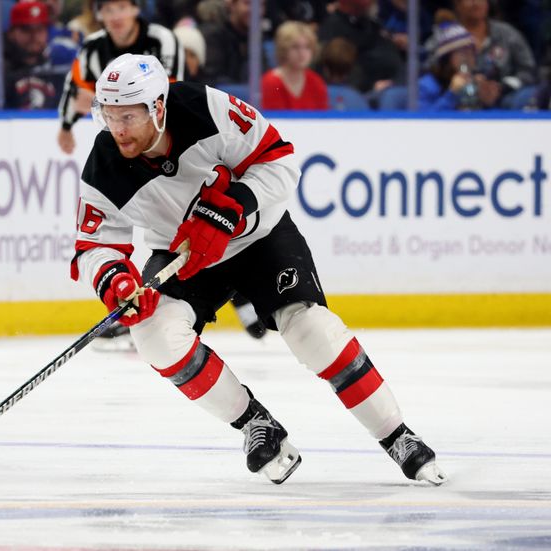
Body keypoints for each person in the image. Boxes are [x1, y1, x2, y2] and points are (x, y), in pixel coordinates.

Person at [71, 53, 448, 486]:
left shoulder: (206, 108)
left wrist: (235, 207)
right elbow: (94, 245)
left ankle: (397, 435)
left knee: (312, 331)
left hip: (259, 237)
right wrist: (114, 279)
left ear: (158, 106)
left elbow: (281, 162)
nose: (117, 129)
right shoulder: (104, 163)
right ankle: (255, 424)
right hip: (185, 253)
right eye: (109, 115)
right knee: (154, 335)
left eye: (129, 116)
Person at [57, 0, 184, 154]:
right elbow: (75, 93)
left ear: (135, 9)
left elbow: (169, 94)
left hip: (165, 133)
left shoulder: (162, 39)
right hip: (119, 133)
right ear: (99, 15)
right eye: (108, 10)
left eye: (121, 8)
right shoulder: (91, 47)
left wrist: (99, 102)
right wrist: (66, 127)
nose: (116, 16)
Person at [0, 1, 76, 109]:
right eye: (26, 29)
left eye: (39, 29)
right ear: (12, 32)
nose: (34, 36)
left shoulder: (54, 65)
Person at [318, 0, 403, 93]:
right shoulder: (332, 28)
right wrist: (371, 87)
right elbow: (335, 69)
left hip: (397, 82)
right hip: (365, 93)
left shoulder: (371, 24)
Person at [261, 21, 328, 110]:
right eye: (295, 47)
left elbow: (323, 120)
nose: (302, 53)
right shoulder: (270, 83)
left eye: (307, 47)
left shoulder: (316, 82)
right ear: (283, 49)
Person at [418, 15, 481, 110]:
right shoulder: (426, 85)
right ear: (447, 58)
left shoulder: (476, 80)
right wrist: (452, 94)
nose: (468, 58)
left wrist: (486, 101)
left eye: (471, 53)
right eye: (462, 53)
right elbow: (424, 121)